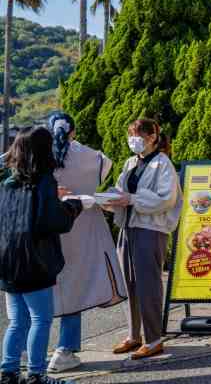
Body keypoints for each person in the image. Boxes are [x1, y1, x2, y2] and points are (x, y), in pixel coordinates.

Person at [46, 113, 127, 373]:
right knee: (76, 288)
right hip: (85, 226)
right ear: (75, 131)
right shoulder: (95, 157)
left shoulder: (37, 157)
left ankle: (32, 352)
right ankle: (65, 349)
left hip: (48, 228)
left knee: (43, 291)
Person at [0, 127, 82, 384]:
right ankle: (37, 374)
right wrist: (72, 205)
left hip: (8, 259)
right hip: (35, 260)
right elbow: (51, 221)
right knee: (40, 319)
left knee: (17, 321)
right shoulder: (44, 180)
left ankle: (9, 372)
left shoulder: (7, 180)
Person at [101, 118, 180, 361]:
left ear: (153, 137)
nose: (133, 140)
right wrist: (106, 199)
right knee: (128, 283)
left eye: (138, 135)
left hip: (150, 229)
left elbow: (165, 199)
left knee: (148, 284)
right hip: (128, 227)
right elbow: (120, 190)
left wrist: (132, 199)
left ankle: (154, 339)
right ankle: (134, 335)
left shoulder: (163, 164)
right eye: (131, 135)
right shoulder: (130, 162)